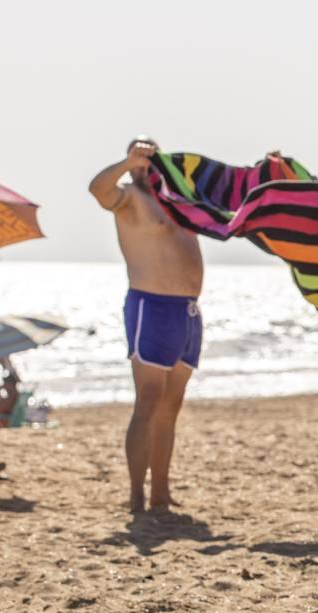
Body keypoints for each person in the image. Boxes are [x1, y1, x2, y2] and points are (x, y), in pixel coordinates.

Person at [89, 136, 204, 513]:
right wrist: (127, 163)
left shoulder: (179, 205)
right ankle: (137, 494)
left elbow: (231, 208)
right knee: (149, 402)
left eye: (151, 159)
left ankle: (161, 493)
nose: (146, 165)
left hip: (187, 311)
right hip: (151, 307)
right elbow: (97, 189)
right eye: (141, 159)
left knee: (171, 407)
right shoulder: (130, 200)